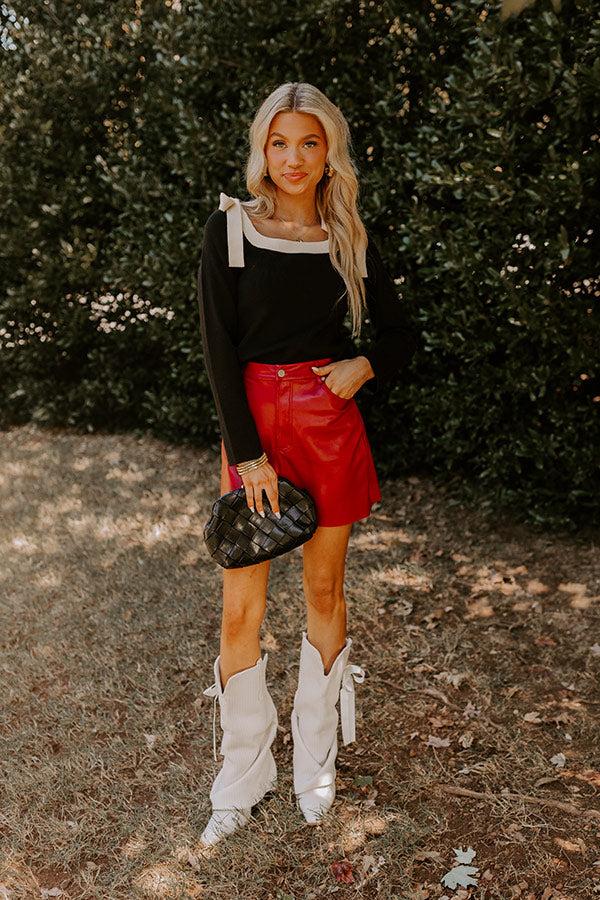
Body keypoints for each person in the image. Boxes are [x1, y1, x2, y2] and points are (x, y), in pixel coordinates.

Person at [196, 82, 418, 847]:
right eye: (280, 142)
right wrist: (247, 453)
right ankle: (242, 775)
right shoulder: (230, 229)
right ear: (263, 149)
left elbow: (400, 334)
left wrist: (363, 363)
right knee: (241, 608)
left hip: (329, 425)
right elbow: (217, 346)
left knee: (325, 593)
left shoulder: (346, 234)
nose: (293, 158)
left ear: (330, 153)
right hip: (255, 429)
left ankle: (314, 764)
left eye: (310, 143)